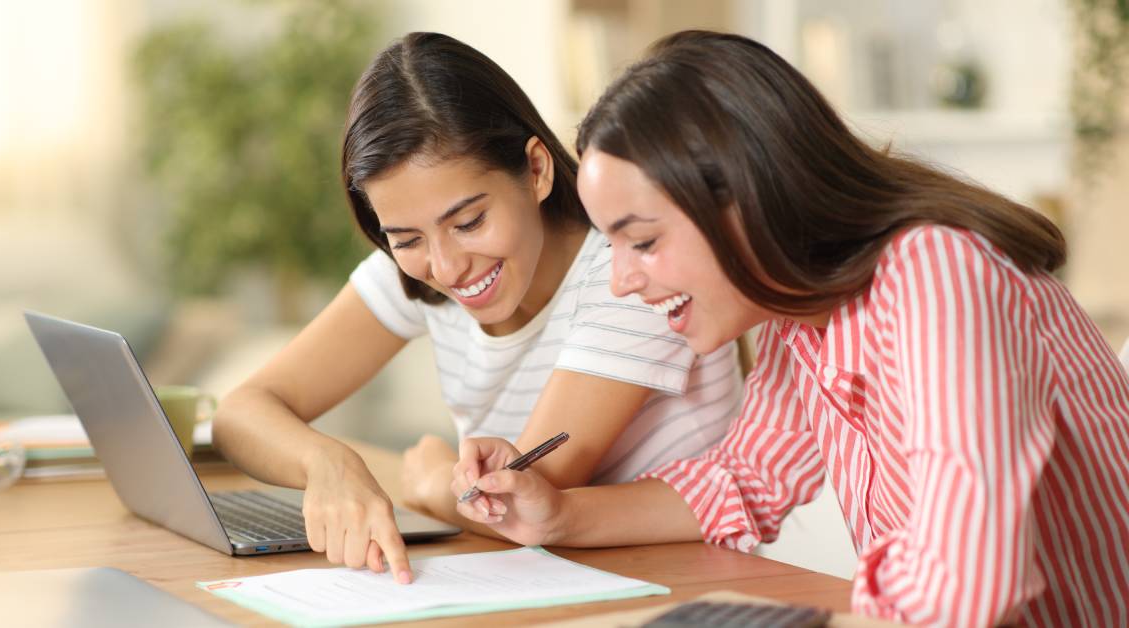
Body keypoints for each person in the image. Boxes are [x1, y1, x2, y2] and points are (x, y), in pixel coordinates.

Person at [451, 31, 1129, 626]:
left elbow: (968, 592)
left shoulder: (935, 270)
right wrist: (558, 515)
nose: (622, 281)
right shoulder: (800, 323)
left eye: (644, 242)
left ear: (745, 201)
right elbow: (741, 480)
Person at [212, 32, 745, 585]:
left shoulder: (629, 273)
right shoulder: (421, 268)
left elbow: (529, 499)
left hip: (681, 582)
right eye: (405, 237)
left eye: (468, 222)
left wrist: (428, 481)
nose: (446, 268)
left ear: (536, 170)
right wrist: (329, 463)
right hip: (549, 580)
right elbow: (238, 413)